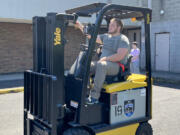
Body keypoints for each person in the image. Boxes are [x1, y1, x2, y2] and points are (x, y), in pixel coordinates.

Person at [75, 18, 130, 104]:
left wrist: (106, 58)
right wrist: (80, 26)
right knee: (86, 66)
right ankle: (84, 93)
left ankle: (94, 97)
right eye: (109, 25)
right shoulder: (106, 36)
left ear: (118, 27)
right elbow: (91, 36)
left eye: (112, 25)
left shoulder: (122, 39)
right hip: (104, 63)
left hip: (117, 66)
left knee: (101, 65)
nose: (109, 27)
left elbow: (119, 56)